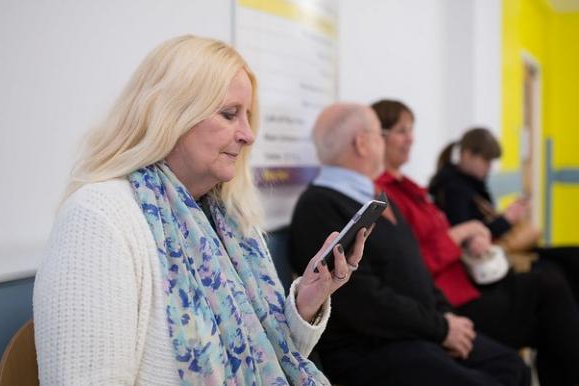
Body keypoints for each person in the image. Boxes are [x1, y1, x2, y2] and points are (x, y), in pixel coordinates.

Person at [33, 35, 368, 386]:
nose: (248, 134)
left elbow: (270, 359)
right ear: (172, 114)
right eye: (229, 114)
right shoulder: (98, 217)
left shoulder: (230, 220)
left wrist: (306, 303)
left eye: (248, 116)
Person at [289, 103, 530, 386]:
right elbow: (365, 304)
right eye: (381, 134)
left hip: (415, 333)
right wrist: (441, 329)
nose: (385, 141)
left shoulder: (373, 197)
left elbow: (416, 271)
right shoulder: (319, 207)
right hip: (373, 351)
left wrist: (447, 319)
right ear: (362, 143)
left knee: (512, 367)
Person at [372, 99, 579, 386]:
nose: (411, 139)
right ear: (374, 137)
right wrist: (467, 232)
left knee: (562, 277)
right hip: (452, 300)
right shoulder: (386, 194)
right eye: (401, 131)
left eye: (411, 130)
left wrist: (474, 234)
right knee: (553, 289)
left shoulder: (410, 188)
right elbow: (415, 262)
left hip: (464, 284)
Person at [428, 127, 579, 370]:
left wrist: (499, 221)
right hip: (479, 271)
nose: (489, 167)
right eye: (400, 132)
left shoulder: (407, 191)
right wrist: (505, 220)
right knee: (566, 274)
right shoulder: (424, 190)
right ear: (468, 154)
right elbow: (465, 237)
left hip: (485, 261)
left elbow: (462, 232)